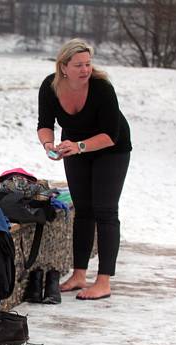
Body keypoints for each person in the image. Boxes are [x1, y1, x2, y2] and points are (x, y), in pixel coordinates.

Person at [37, 38, 132, 300]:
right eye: (79, 65)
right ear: (63, 67)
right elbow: (44, 122)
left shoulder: (102, 88)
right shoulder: (50, 86)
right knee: (83, 210)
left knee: (105, 210)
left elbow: (111, 135)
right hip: (75, 147)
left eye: (88, 64)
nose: (85, 69)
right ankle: (79, 275)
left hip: (111, 148)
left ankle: (103, 281)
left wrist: (78, 146)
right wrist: (48, 145)